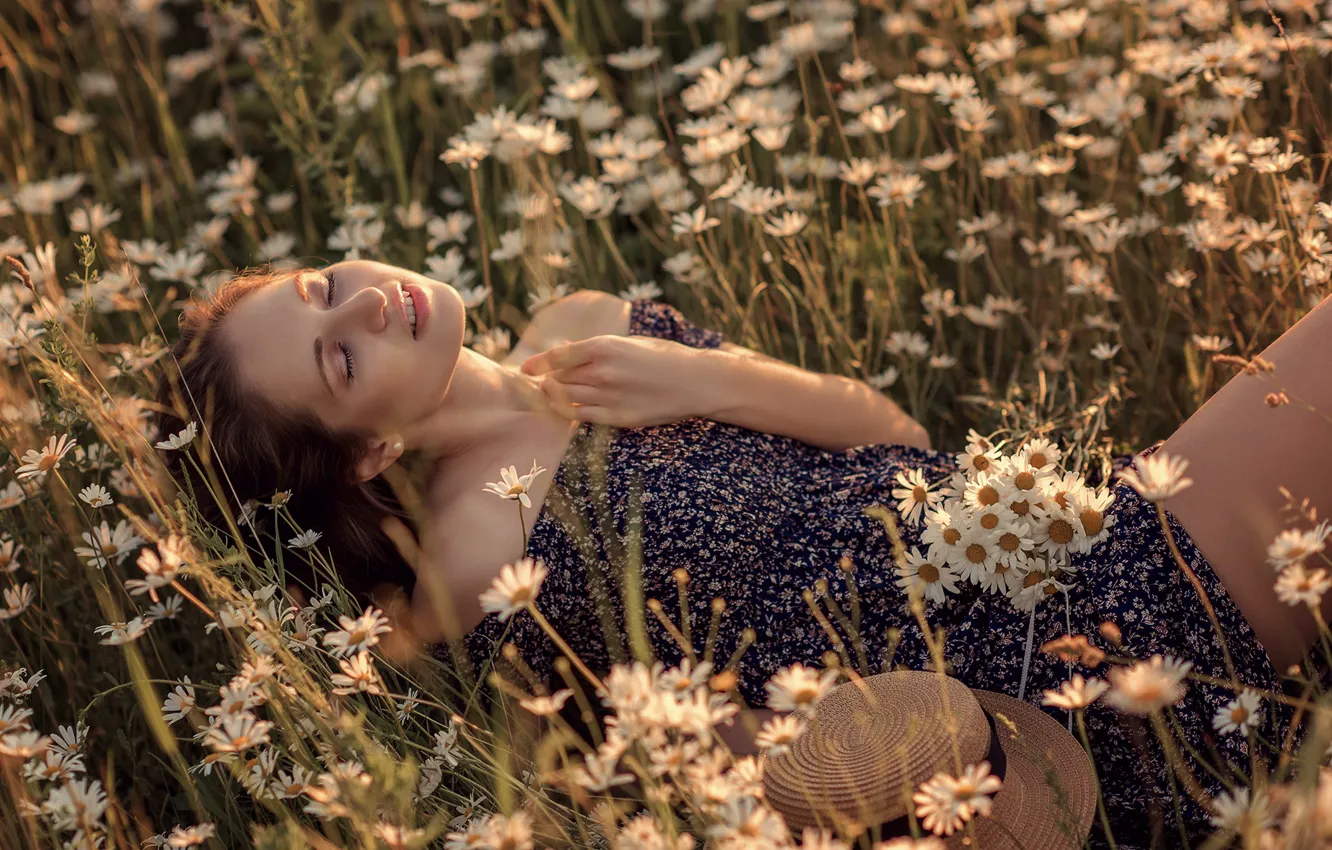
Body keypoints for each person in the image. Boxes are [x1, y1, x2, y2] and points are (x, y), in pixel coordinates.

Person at [155, 259, 1330, 848]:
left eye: (321, 286)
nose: (365, 307)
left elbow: (892, 432)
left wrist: (700, 377)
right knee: (869, 738)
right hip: (995, 681)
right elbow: (638, 744)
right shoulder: (472, 557)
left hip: (1046, 535)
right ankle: (966, 755)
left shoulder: (585, 327)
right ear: (364, 461)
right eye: (338, 362)